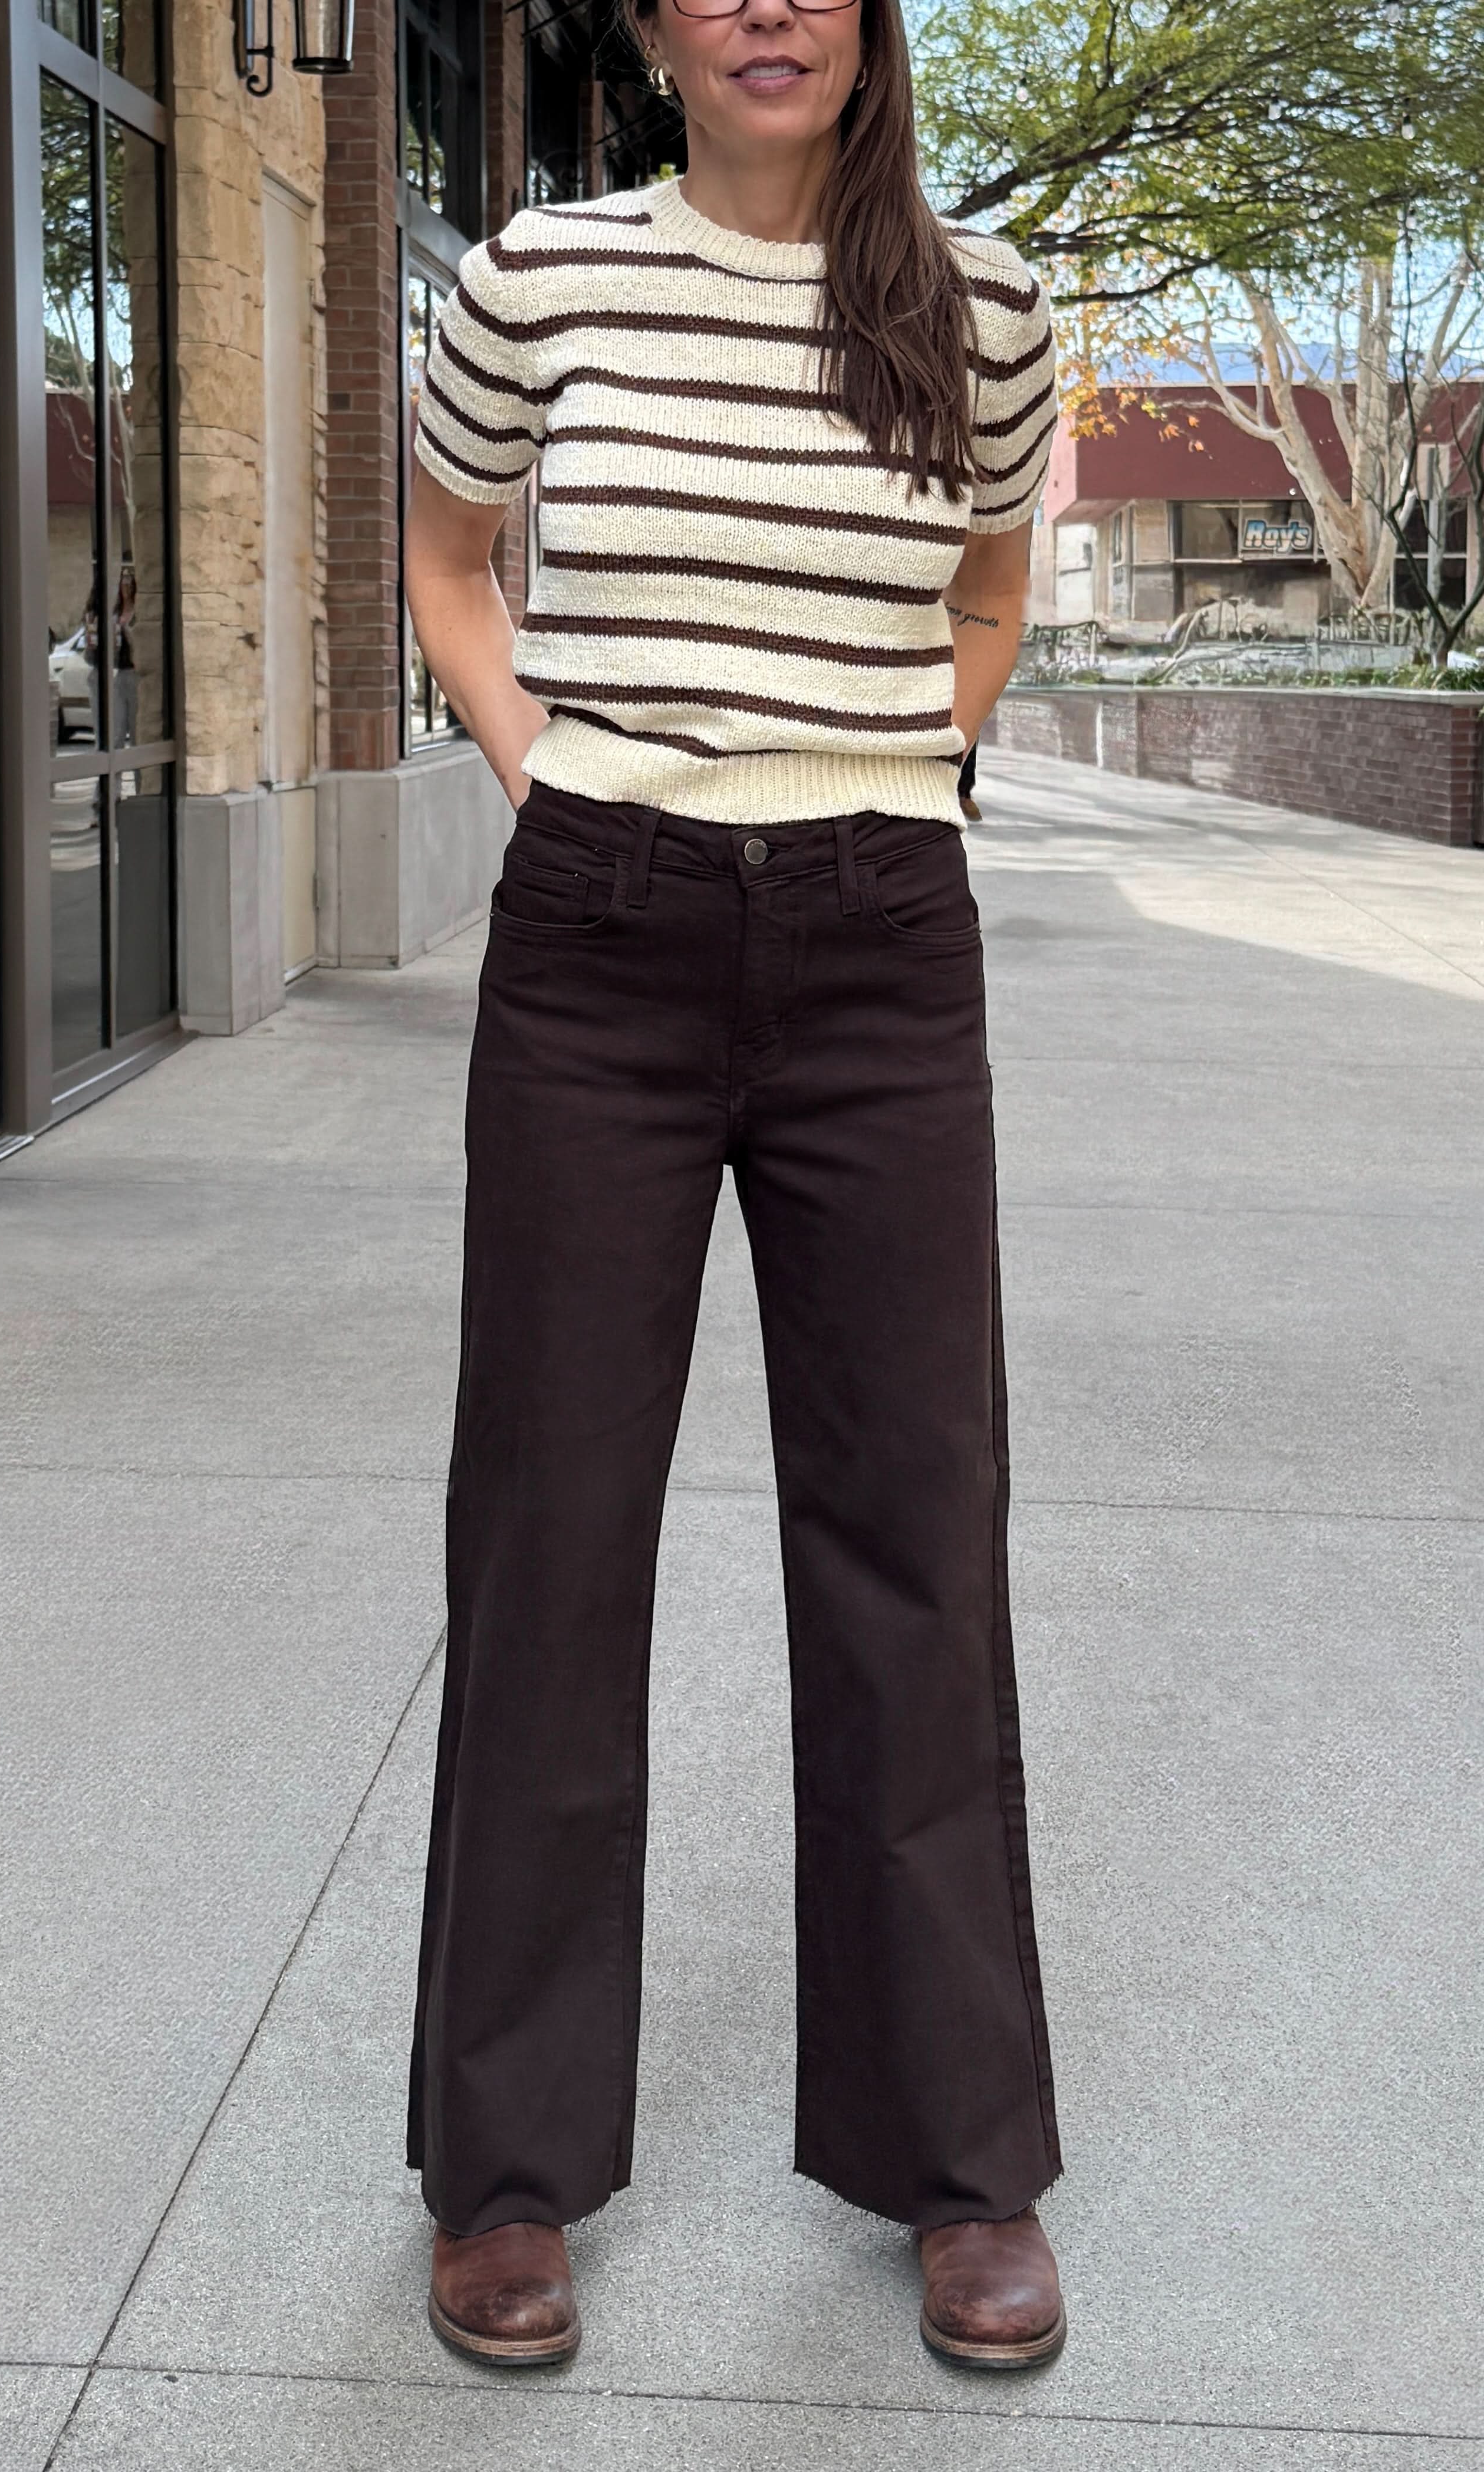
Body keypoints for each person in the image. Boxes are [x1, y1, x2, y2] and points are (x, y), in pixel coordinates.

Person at [403, 0, 1064, 2374]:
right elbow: (447, 553)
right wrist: (540, 764)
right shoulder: (539, 277)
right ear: (657, 26)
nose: (764, 7)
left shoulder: (975, 302)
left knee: (912, 1529)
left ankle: (959, 2159)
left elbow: (986, 596)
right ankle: (499, 2170)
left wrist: (887, 776)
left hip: (884, 950)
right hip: (601, 937)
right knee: (551, 1529)